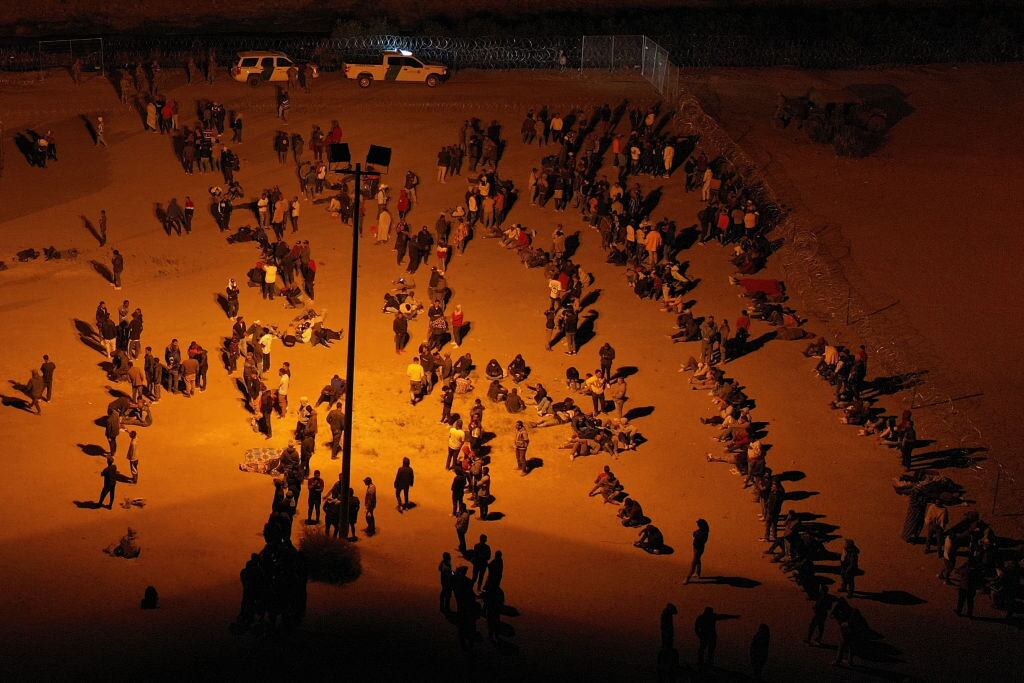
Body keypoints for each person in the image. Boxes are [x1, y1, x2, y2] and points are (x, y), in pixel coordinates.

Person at [685, 519, 710, 584]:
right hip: (696, 547)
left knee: (693, 563)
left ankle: (687, 578)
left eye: (698, 524)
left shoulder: (704, 533)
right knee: (698, 560)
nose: (697, 525)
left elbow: (701, 539)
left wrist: (696, 534)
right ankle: (698, 573)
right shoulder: (701, 530)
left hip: (699, 548)